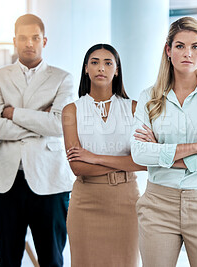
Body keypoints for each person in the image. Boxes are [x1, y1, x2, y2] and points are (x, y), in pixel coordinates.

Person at [130, 16, 197, 267]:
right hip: (158, 203)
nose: (187, 53)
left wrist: (162, 154)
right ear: (168, 50)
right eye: (180, 46)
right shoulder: (149, 97)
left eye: (195, 46)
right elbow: (139, 153)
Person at [0, 14, 75, 266]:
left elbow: (58, 125)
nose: (29, 43)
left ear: (44, 40)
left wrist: (14, 114)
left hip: (49, 182)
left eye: (35, 38)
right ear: (14, 41)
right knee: (8, 260)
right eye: (23, 38)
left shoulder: (62, 78)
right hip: (5, 183)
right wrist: (38, 123)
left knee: (52, 259)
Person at [62, 44, 146, 267]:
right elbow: (78, 167)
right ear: (86, 69)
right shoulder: (72, 110)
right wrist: (126, 163)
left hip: (126, 201)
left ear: (117, 70)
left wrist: (95, 157)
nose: (101, 68)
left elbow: (146, 162)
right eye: (95, 62)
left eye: (108, 63)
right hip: (85, 201)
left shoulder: (134, 109)